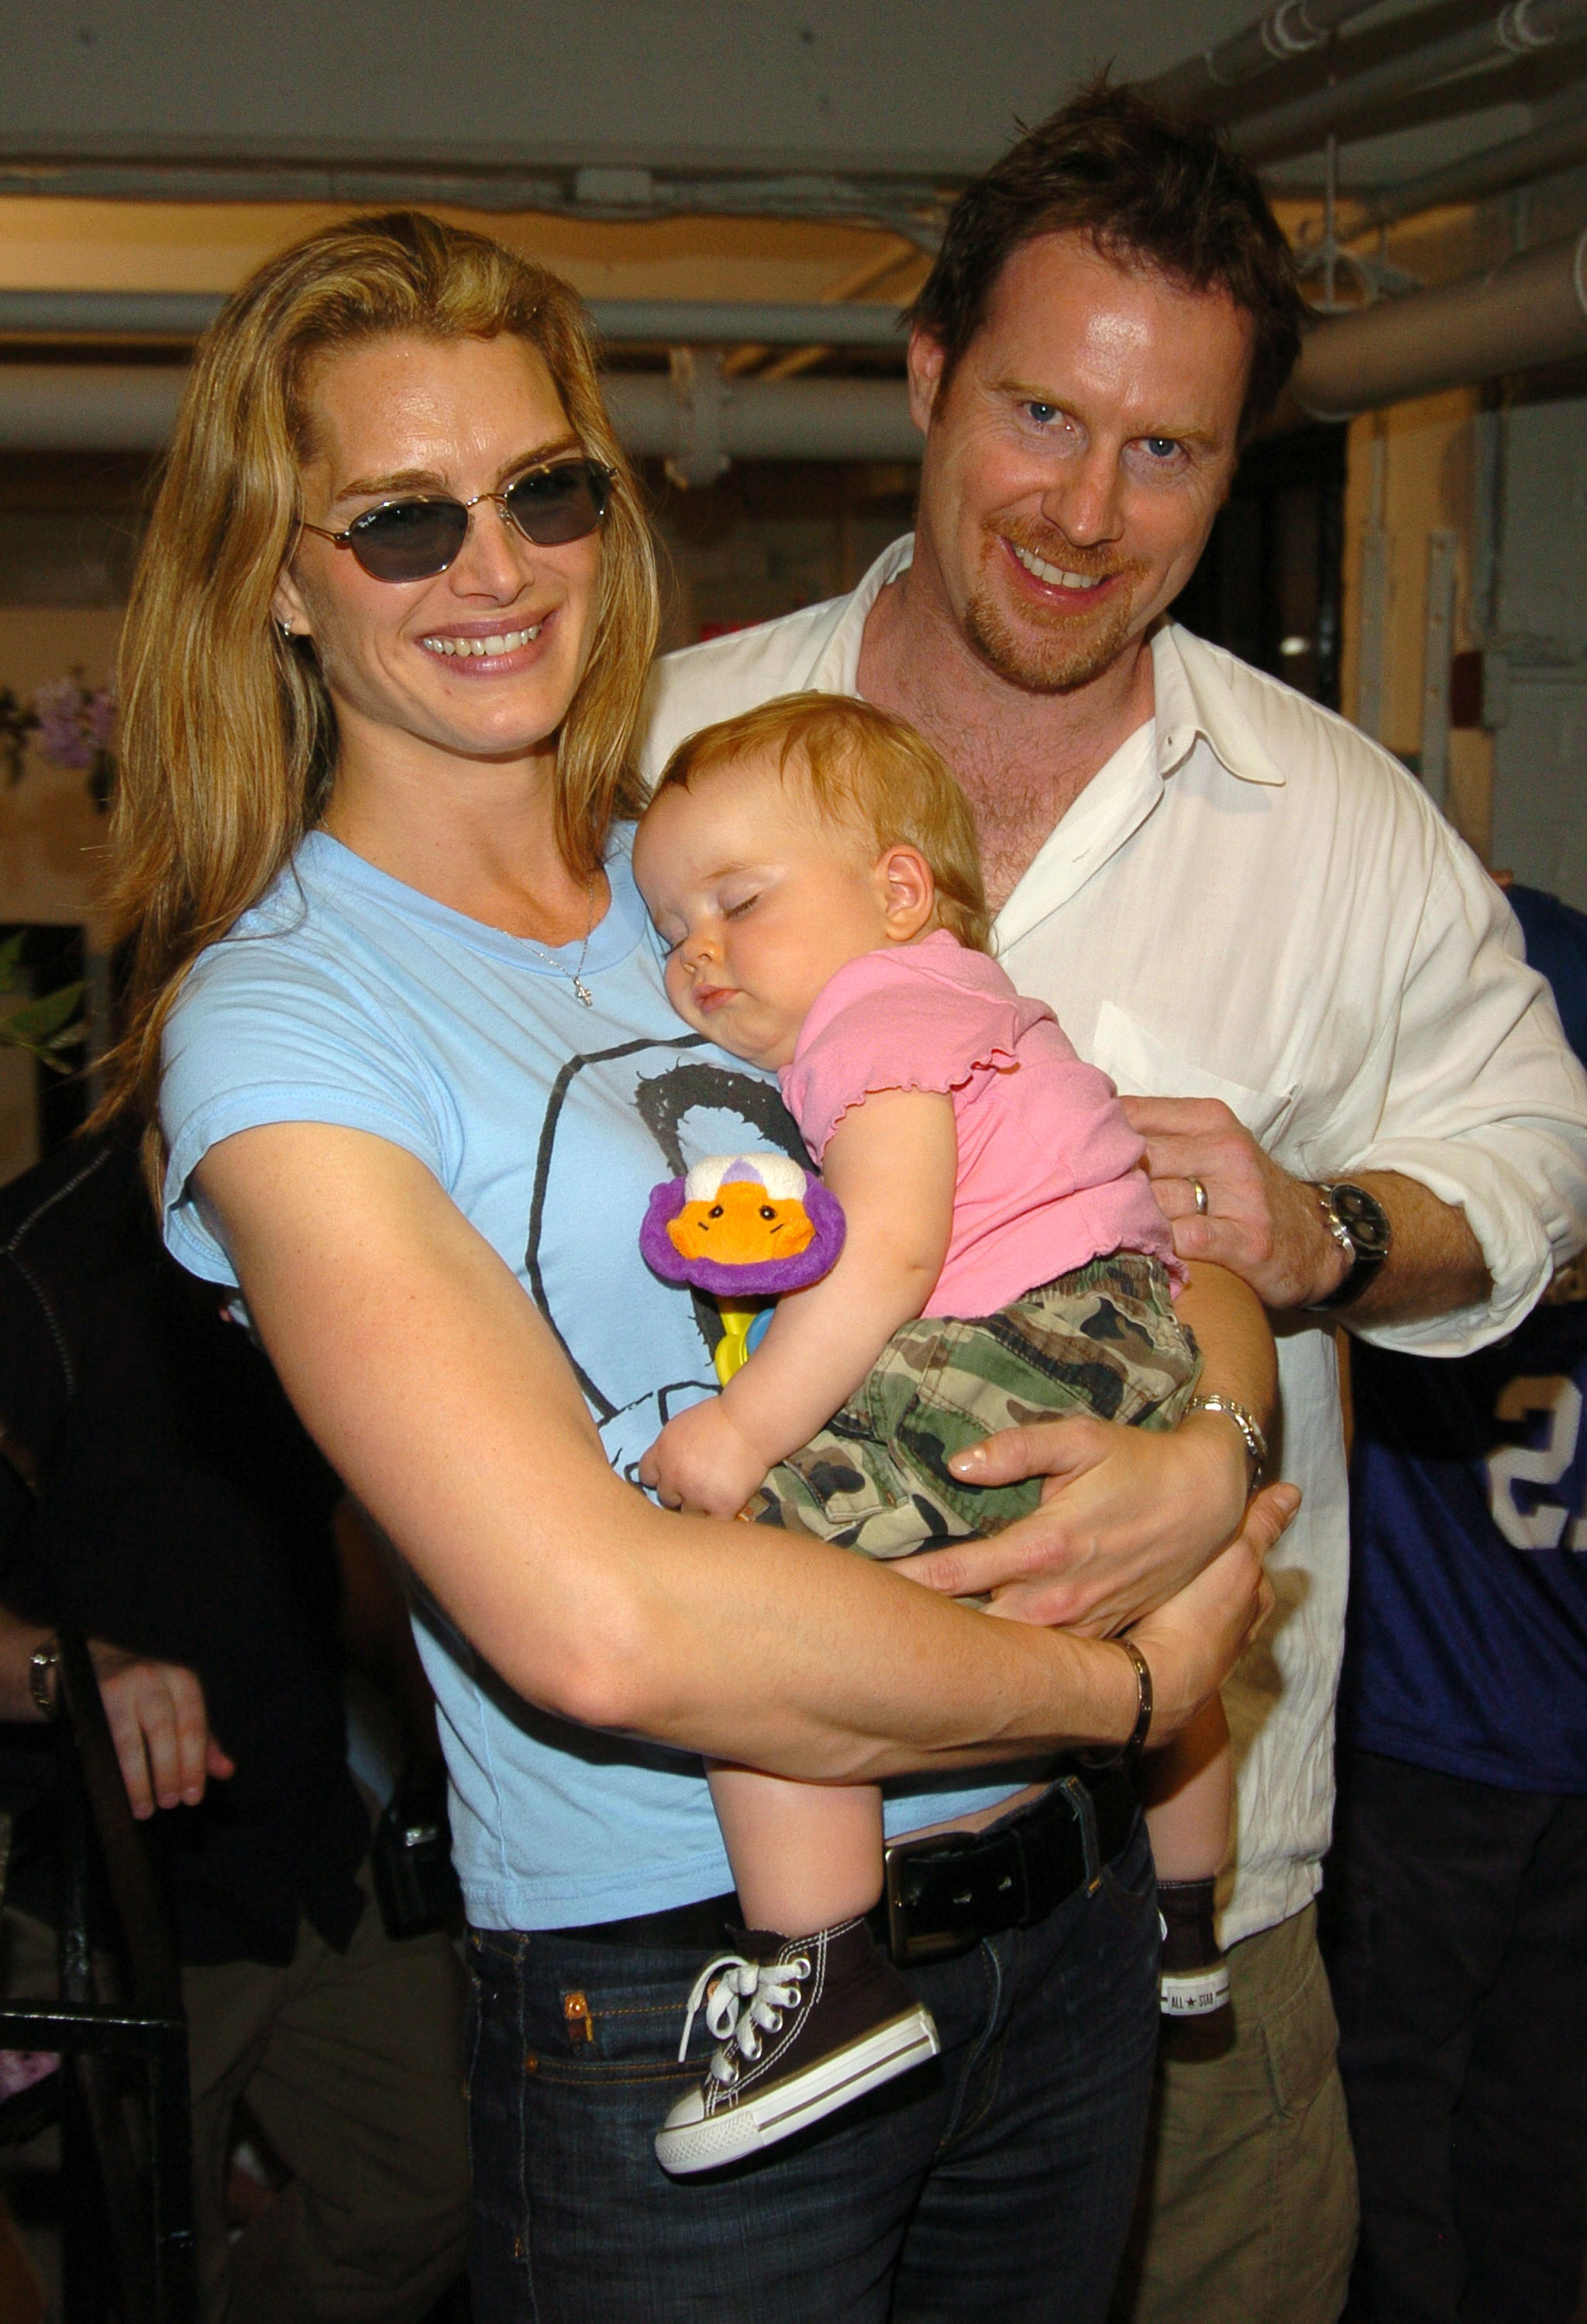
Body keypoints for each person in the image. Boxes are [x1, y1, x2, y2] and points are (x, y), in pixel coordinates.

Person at [104, 208, 1279, 2324]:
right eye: (401, 520)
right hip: (700, 2001)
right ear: (278, 574)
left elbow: (1115, 1186)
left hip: (1069, 1937)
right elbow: (601, 1622)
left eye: (549, 488)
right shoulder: (285, 1028)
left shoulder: (726, 870)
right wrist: (1128, 1680)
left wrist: (1211, 1455)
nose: (500, 565)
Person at [640, 81, 1587, 2324]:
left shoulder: (1334, 822)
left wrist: (1328, 1234)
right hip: (729, 1897)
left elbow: (1539, 1166)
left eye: (1165, 450)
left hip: (1192, 1917)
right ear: (927, 378)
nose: (1086, 510)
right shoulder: (660, 754)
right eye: (1043, 416)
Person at [632, 692, 1254, 2169]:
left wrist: (745, 1429)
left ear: (899, 889)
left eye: (739, 902)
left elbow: (893, 1252)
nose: (698, 951)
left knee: (754, 1603)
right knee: (1159, 1606)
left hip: (1020, 1338)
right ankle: (1184, 1917)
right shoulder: (982, 993)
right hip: (1128, 1337)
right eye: (672, 927)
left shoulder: (876, 1016)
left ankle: (821, 1968)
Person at [0, 1129, 470, 2324]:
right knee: (134, 2267)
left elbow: (317, 1515)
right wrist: (73, 1667)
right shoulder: (36, 1264)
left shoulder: (313, 1215)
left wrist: (438, 1712)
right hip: (104, 1886)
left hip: (310, 1835)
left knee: (444, 2179)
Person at [1324, 883, 1587, 2324]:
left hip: (1482, 1725)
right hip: (1436, 1714)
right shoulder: (1470, 947)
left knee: (1514, 2141)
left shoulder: (1521, 954)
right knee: (1411, 2133)